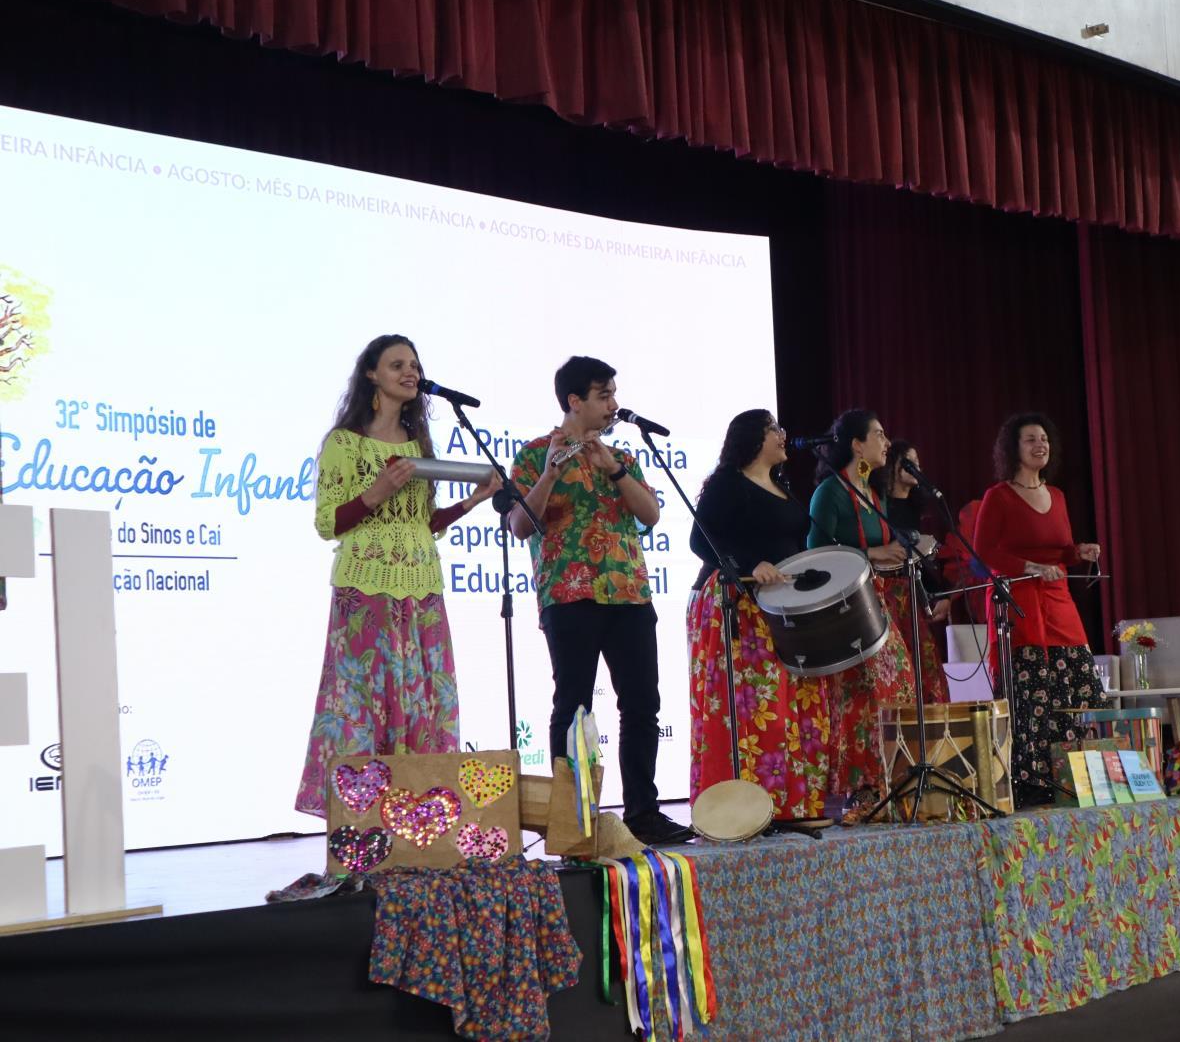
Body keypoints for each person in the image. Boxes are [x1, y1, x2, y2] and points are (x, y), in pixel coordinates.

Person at [295, 334, 500, 816]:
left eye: (414, 365)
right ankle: (361, 816)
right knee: (364, 698)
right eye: (397, 365)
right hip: (365, 590)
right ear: (371, 374)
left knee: (423, 696)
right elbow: (328, 522)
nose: (410, 373)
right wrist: (378, 490)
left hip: (422, 589)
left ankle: (416, 812)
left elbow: (421, 523)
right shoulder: (344, 443)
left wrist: (472, 502)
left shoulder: (417, 444)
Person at [507, 356, 691, 845]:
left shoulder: (620, 456)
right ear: (574, 401)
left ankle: (643, 814)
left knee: (642, 705)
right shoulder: (533, 455)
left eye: (613, 394)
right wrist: (549, 475)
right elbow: (520, 525)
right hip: (569, 596)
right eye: (603, 395)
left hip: (629, 593)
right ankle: (572, 823)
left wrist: (614, 469)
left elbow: (650, 515)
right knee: (574, 707)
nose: (613, 404)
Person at [687, 409, 828, 818]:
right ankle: (741, 808)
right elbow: (700, 540)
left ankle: (788, 803)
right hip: (737, 604)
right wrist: (750, 565)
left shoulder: (782, 485)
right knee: (753, 706)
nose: (783, 435)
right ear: (752, 438)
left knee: (789, 703)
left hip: (784, 607)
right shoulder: (727, 483)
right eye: (773, 429)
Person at [972, 412, 1104, 807]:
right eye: (1030, 439)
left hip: (1057, 597)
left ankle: (1079, 774)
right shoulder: (999, 496)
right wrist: (1029, 567)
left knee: (1077, 676)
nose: (1039, 445)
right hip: (1019, 600)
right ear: (1013, 448)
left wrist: (1079, 552)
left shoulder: (1057, 495)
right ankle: (1032, 779)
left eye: (1043, 438)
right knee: (1032, 687)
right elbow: (983, 553)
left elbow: (1060, 550)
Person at [805, 409, 917, 800]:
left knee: (898, 684)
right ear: (857, 445)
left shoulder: (872, 490)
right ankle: (857, 786)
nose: (887, 442)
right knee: (861, 695)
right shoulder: (830, 492)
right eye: (879, 434)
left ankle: (887, 779)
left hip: (876, 601)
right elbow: (816, 554)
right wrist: (872, 553)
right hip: (845, 611)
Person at [872, 439, 950, 704]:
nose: (916, 467)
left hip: (913, 595)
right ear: (891, 464)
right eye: (908, 462)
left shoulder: (918, 508)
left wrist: (941, 594)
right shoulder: (879, 506)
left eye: (917, 462)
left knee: (925, 664)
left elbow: (922, 559)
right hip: (886, 594)